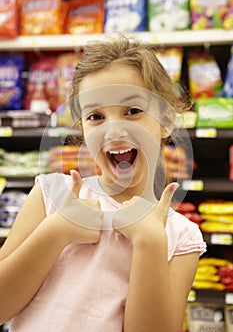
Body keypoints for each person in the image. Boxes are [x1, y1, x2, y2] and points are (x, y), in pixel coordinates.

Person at [0, 35, 206, 332]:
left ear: (165, 120)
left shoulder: (179, 236)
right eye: (96, 116)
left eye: (132, 111)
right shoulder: (51, 196)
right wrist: (56, 231)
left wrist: (149, 241)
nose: (114, 129)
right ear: (82, 128)